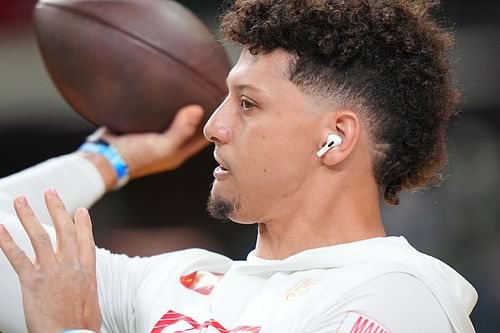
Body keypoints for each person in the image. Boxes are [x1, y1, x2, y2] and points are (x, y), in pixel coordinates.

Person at [0, 0, 478, 332]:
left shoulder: (399, 297)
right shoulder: (176, 283)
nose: (212, 126)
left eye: (247, 104)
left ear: (335, 139)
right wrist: (107, 159)